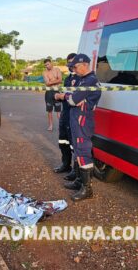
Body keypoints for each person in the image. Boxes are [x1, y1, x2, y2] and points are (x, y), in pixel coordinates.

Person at [55, 54, 101, 201]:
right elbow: (74, 96)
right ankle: (80, 181)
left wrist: (64, 96)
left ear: (84, 65)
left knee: (83, 153)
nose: (73, 69)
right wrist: (70, 95)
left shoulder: (90, 80)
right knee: (78, 151)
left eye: (75, 66)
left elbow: (73, 100)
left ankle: (87, 189)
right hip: (76, 119)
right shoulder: (82, 80)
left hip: (83, 121)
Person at [54, 53, 81, 174]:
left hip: (74, 114)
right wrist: (58, 97)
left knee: (73, 143)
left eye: (72, 62)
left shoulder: (81, 79)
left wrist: (63, 96)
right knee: (62, 141)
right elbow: (66, 94)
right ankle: (66, 164)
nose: (70, 65)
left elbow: (77, 97)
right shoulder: (68, 78)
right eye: (68, 63)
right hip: (65, 113)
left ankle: (76, 171)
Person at [43, 59, 62, 131]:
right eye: (45, 65)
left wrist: (51, 81)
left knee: (58, 111)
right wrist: (56, 80)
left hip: (57, 91)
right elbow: (47, 83)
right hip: (49, 92)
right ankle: (50, 125)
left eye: (48, 64)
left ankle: (61, 126)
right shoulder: (45, 72)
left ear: (51, 63)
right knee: (49, 110)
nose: (47, 66)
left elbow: (60, 80)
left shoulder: (57, 70)